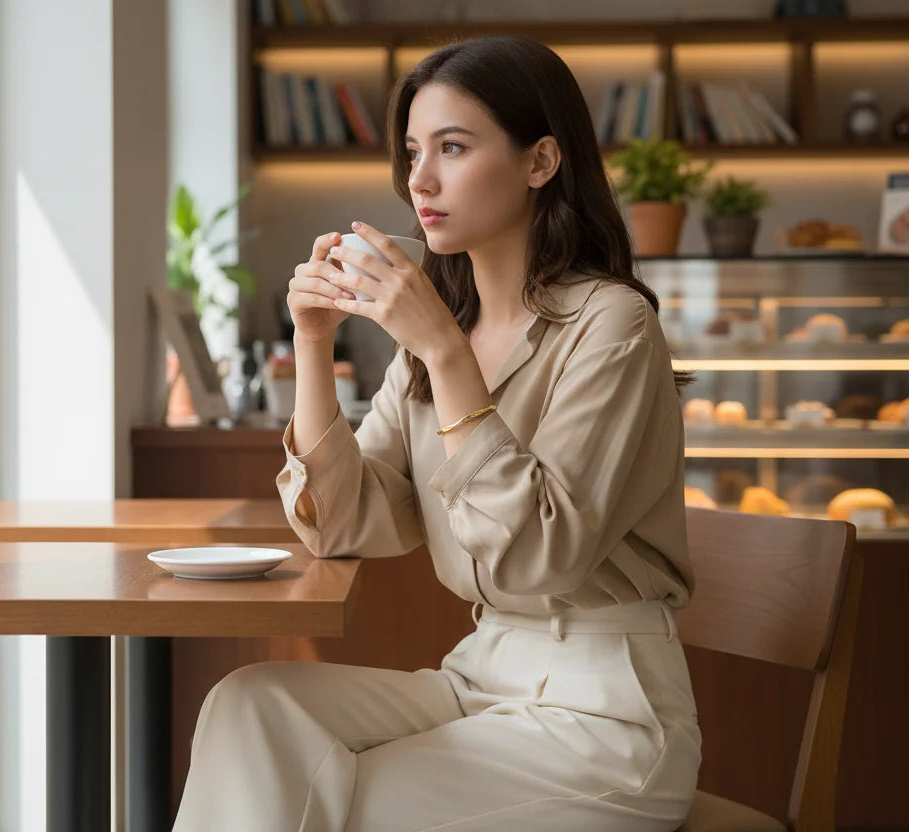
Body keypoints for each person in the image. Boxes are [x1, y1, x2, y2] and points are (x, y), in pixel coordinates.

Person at [173, 35, 699, 831]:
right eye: (414, 151)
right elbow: (347, 526)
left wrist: (444, 351)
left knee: (338, 797)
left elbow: (536, 556)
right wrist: (312, 343)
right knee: (253, 703)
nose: (420, 179)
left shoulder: (610, 325)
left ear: (540, 161)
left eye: (453, 148)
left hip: (606, 718)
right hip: (478, 676)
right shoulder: (441, 329)